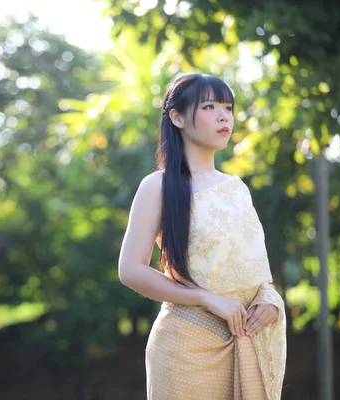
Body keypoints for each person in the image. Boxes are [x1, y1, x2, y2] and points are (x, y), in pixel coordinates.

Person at [118, 73, 286, 400]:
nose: (224, 116)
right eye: (209, 106)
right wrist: (206, 297)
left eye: (228, 107)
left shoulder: (236, 188)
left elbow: (248, 269)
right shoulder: (158, 186)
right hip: (186, 350)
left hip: (245, 341)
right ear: (177, 117)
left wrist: (270, 300)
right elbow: (130, 270)